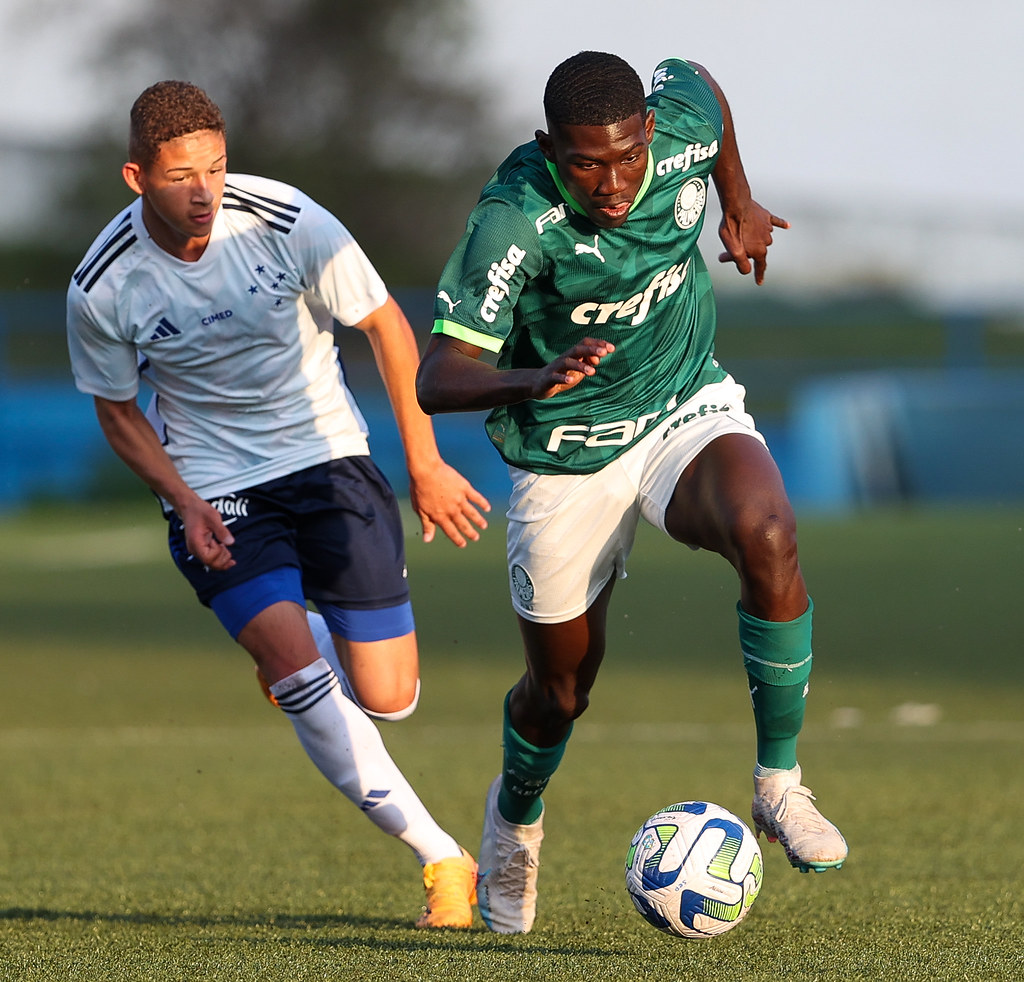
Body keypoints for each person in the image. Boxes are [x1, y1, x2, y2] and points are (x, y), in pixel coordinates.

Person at [416, 51, 848, 934]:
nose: (611, 183)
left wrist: (739, 200)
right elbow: (438, 376)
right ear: (549, 149)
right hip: (565, 452)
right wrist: (533, 379)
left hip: (681, 401)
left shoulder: (679, 126)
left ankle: (779, 784)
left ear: (649, 130)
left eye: (624, 157)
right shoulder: (514, 220)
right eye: (584, 162)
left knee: (767, 529)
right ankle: (515, 822)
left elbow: (704, 86)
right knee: (562, 690)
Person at [66, 80, 491, 929]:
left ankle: (314, 642)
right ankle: (443, 858)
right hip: (215, 488)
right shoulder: (101, 286)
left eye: (216, 168)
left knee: (390, 696)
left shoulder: (287, 217)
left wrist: (425, 462)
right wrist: (181, 499)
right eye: (180, 174)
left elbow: (385, 325)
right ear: (135, 177)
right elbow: (118, 411)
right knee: (297, 675)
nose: (203, 191)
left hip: (327, 459)